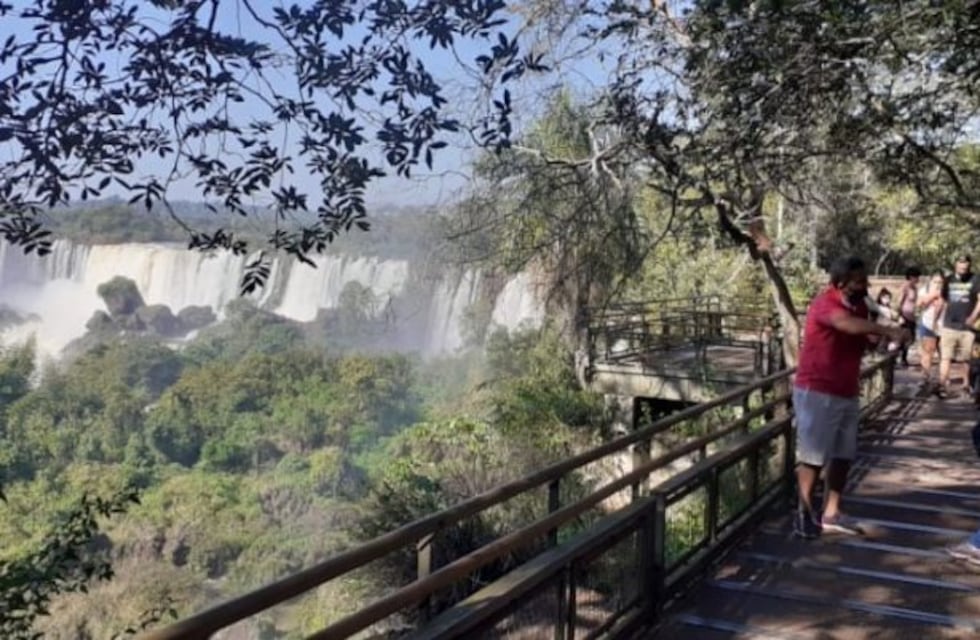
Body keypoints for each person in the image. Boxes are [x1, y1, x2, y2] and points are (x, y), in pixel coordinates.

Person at [793, 256, 909, 539]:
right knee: (813, 456)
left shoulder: (859, 307)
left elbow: (860, 340)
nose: (864, 285)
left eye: (864, 280)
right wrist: (886, 329)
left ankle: (832, 512)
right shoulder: (825, 304)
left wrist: (881, 340)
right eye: (858, 281)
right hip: (817, 390)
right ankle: (803, 512)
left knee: (843, 454)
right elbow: (845, 324)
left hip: (846, 389)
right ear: (840, 283)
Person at [937, 255, 980, 399]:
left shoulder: (975, 279)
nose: (963, 266)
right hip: (949, 325)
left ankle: (966, 385)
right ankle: (942, 385)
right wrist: (936, 320)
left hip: (967, 328)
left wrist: (972, 317)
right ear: (955, 264)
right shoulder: (949, 280)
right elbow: (943, 300)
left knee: (966, 359)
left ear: (969, 265)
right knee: (945, 357)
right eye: (960, 263)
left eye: (966, 264)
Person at [916, 272, 946, 391]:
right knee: (927, 352)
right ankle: (925, 377)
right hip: (928, 324)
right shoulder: (924, 290)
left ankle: (943, 379)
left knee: (944, 354)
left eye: (940, 282)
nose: (938, 284)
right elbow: (919, 304)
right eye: (935, 282)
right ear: (930, 281)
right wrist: (932, 295)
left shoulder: (948, 291)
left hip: (944, 325)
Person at [897, 267, 921, 367]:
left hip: (912, 316)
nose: (918, 279)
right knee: (904, 338)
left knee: (911, 338)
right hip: (904, 315)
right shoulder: (905, 287)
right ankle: (900, 358)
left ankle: (903, 357)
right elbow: (899, 302)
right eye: (917, 277)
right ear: (911, 277)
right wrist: (899, 315)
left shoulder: (915, 288)